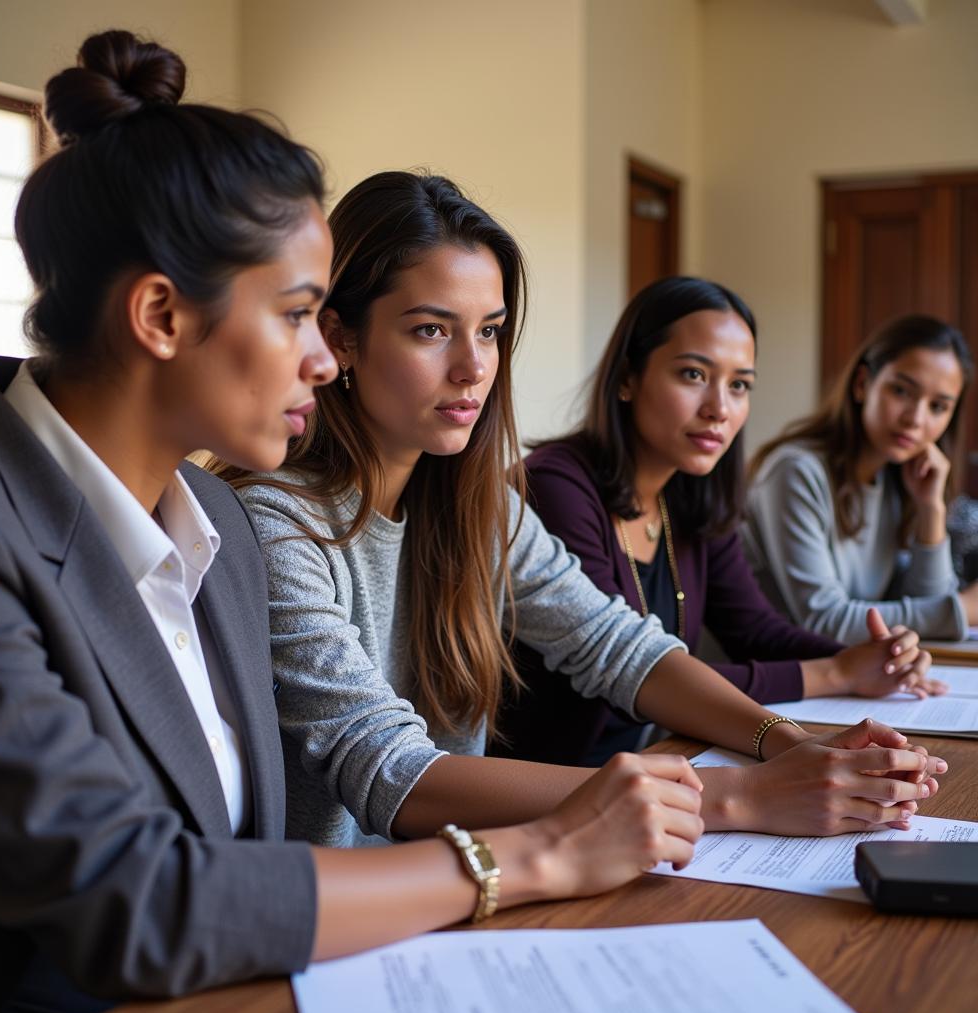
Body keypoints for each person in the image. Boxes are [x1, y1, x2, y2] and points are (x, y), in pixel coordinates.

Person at [0, 31, 711, 1013]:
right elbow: (129, 894)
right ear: (161, 317)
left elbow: (249, 862)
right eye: (301, 314)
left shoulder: (209, 520)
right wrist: (536, 853)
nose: (324, 359)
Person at [220, 173, 941, 865]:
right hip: (343, 931)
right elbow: (394, 771)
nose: (474, 368)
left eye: (491, 331)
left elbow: (616, 644)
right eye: (432, 331)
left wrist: (790, 746)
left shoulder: (479, 506)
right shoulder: (280, 520)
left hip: (486, 886)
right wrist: (734, 795)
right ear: (341, 339)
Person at [489, 277, 943, 768]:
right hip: (547, 785)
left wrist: (873, 659)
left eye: (739, 385)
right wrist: (836, 673)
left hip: (656, 764)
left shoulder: (688, 493)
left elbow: (756, 630)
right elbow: (635, 673)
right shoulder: (556, 487)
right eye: (692, 375)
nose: (719, 409)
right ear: (627, 377)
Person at [744, 314, 977, 644]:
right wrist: (963, 609)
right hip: (765, 681)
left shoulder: (898, 482)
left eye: (938, 406)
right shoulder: (794, 471)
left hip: (843, 680)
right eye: (901, 391)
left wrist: (930, 511)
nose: (915, 418)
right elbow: (822, 621)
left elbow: (928, 612)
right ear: (862, 383)